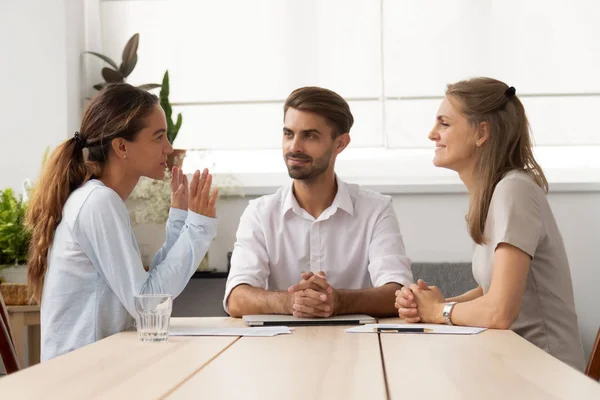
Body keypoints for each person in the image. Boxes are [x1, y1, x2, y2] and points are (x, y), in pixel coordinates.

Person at [395, 77, 585, 371]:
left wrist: (438, 311)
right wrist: (430, 305)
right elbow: (492, 290)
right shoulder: (493, 194)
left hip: (546, 375)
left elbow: (499, 311)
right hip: (511, 364)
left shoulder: (514, 190)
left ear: (481, 133)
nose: (432, 134)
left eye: (444, 123)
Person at [26, 83, 219, 361]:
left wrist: (179, 222)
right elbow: (148, 304)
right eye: (158, 137)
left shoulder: (99, 199)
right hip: (80, 378)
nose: (169, 148)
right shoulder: (98, 202)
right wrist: (198, 228)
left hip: (98, 367)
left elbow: (148, 289)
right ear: (121, 147)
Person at [225, 86, 412, 318]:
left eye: (310, 135)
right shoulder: (260, 213)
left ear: (340, 144)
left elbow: (398, 293)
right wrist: (292, 302)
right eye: (288, 133)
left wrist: (339, 301)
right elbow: (236, 298)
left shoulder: (375, 210)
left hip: (358, 347)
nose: (294, 147)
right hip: (280, 347)